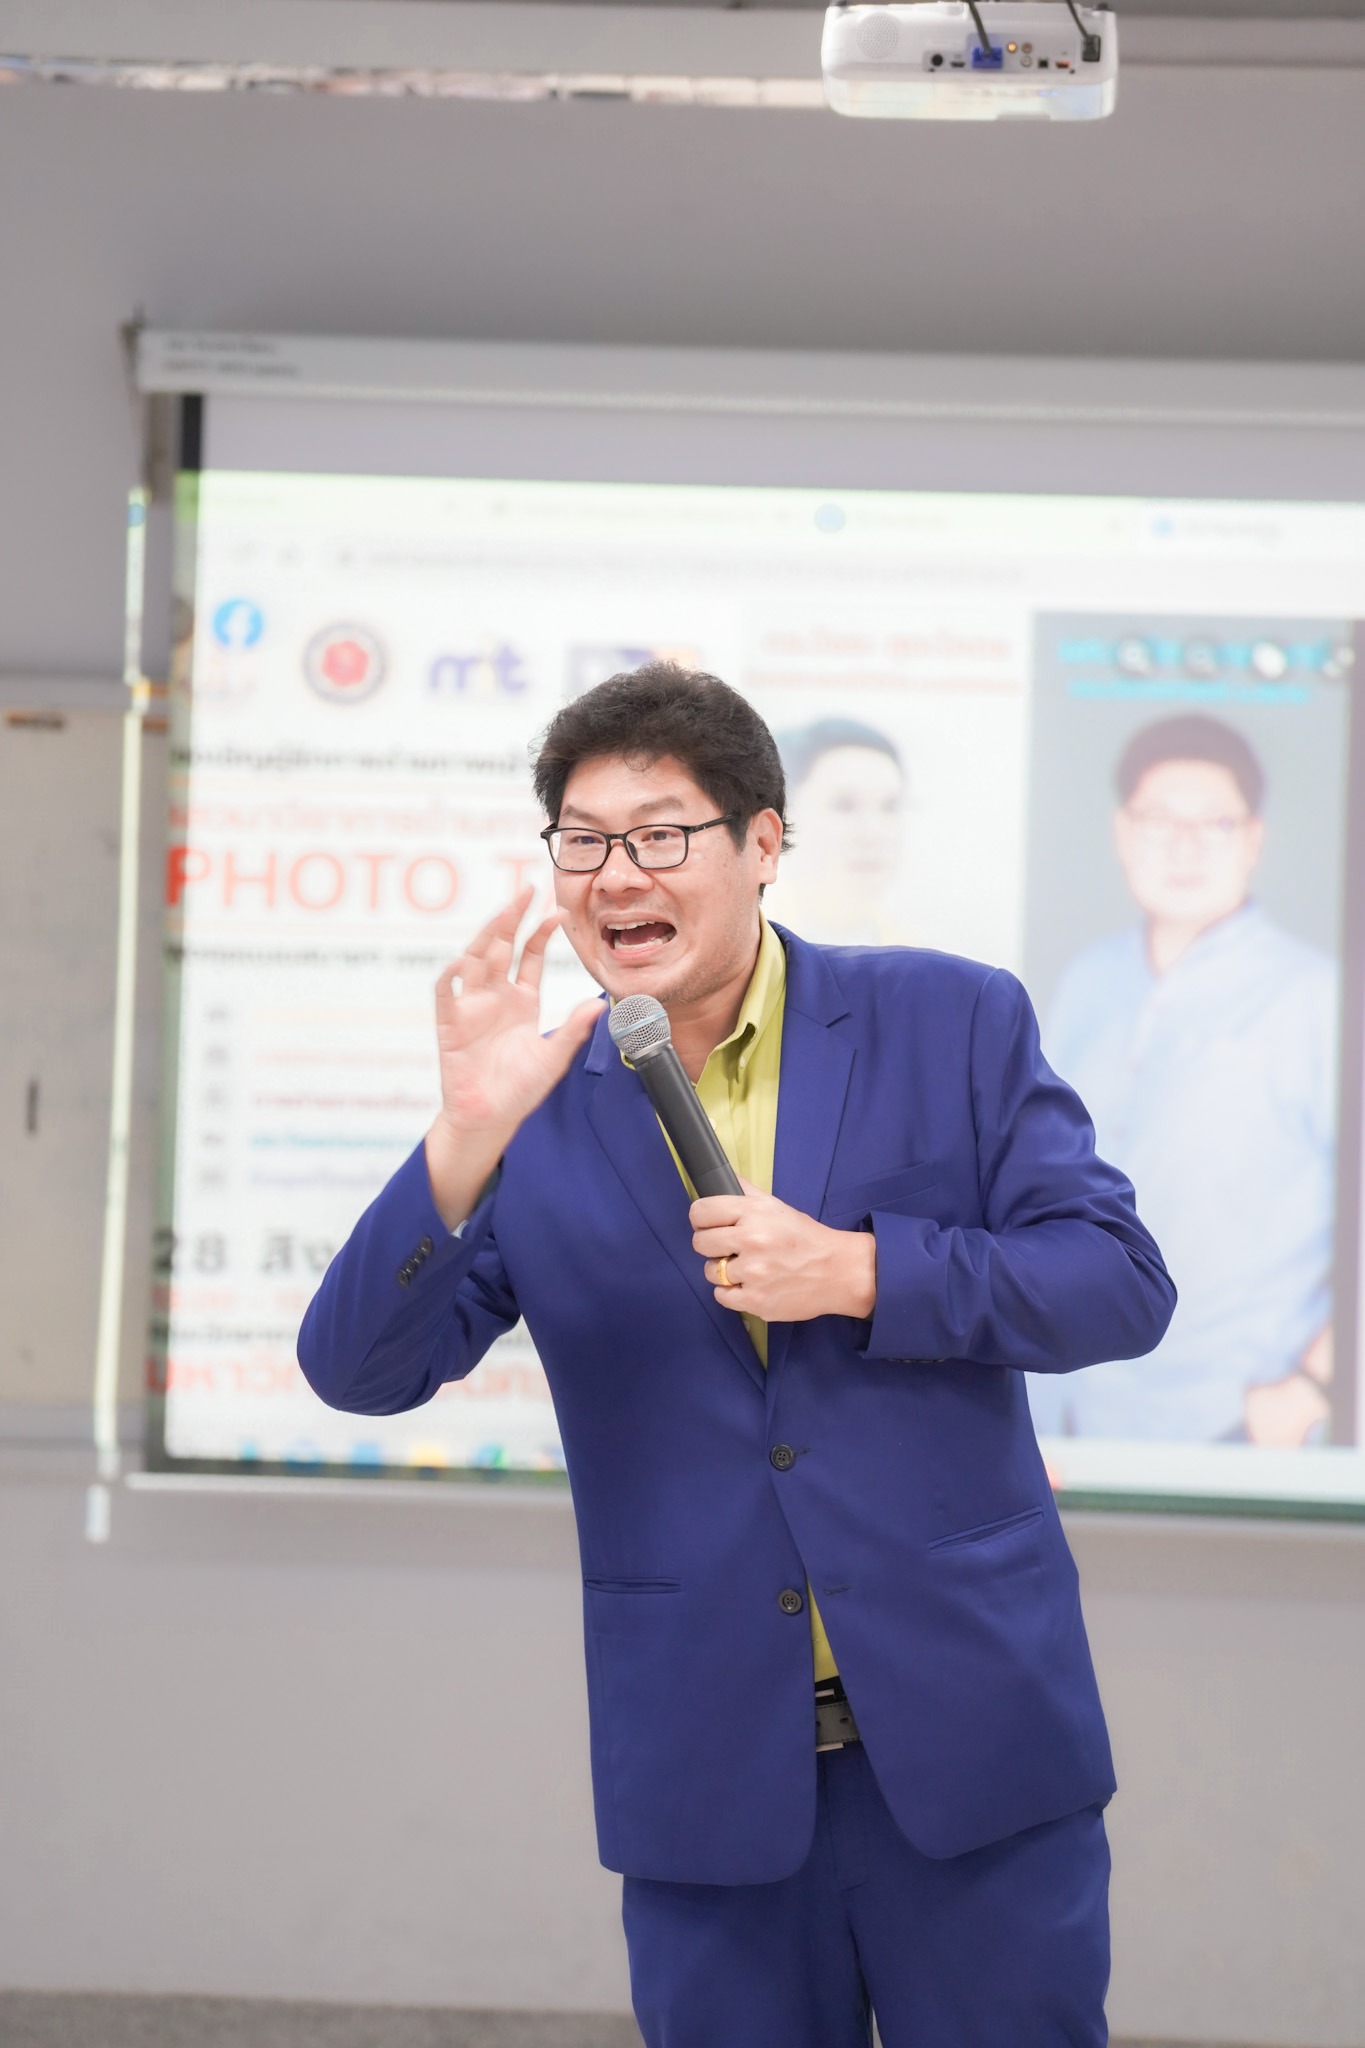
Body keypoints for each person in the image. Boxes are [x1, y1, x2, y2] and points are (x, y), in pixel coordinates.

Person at [298, 664, 1174, 2048]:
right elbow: (358, 1369)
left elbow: (1118, 1284)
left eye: (659, 834)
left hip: (972, 1740)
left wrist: (863, 1270)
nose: (615, 875)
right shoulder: (535, 1106)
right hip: (707, 1772)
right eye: (582, 841)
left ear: (764, 842)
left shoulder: (945, 1017)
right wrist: (463, 1134)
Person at [1031, 714, 1336, 1446]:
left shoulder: (1318, 997)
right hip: (1076, 1407)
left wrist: (1316, 1384)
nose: (1184, 846)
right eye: (1159, 820)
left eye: (1216, 824)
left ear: (1254, 839)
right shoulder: (1088, 980)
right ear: (1121, 833)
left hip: (1231, 1421)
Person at [769, 717, 908, 944]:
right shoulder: (743, 944)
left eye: (889, 807)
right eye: (844, 806)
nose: (872, 833)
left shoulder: (922, 953)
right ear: (782, 819)